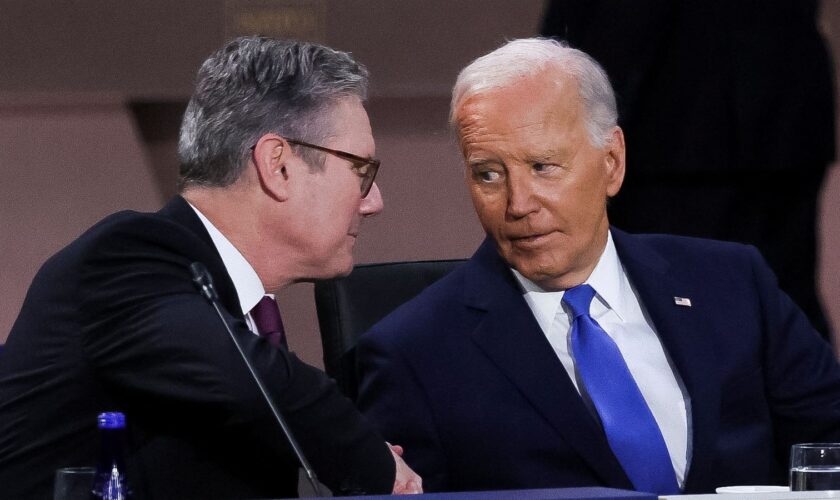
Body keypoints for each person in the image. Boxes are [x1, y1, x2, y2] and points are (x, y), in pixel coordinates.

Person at [356, 38, 840, 494]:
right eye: (488, 174)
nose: (519, 204)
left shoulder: (731, 283)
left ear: (611, 162)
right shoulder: (412, 354)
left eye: (543, 167)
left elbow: (828, 440)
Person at [0, 36, 421, 499]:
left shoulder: (215, 298)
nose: (373, 201)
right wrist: (372, 460)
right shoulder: (124, 259)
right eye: (361, 170)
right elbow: (248, 380)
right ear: (277, 166)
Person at [540, 0, 836, 340]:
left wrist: (560, 119)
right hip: (781, 108)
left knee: (677, 317)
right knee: (778, 305)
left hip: (674, 123)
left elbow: (621, 23)